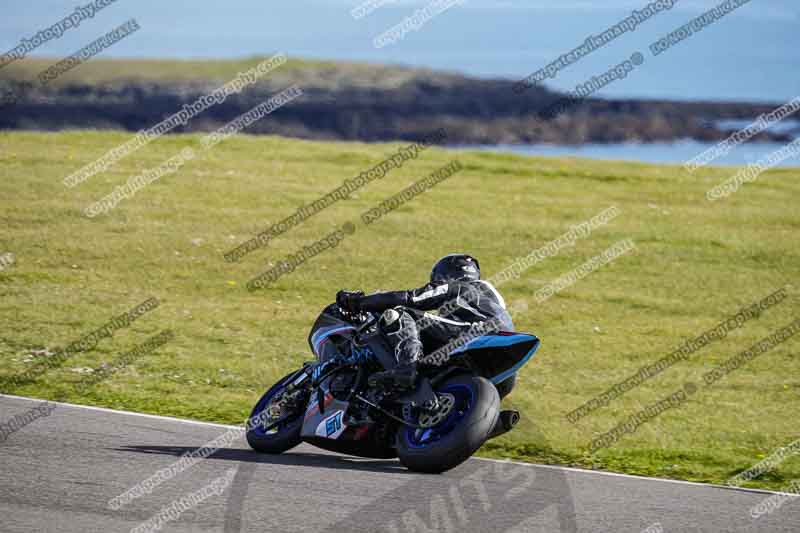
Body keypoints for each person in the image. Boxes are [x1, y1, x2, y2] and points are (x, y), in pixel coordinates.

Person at [336, 254, 513, 389]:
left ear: (447, 274)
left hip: (477, 332)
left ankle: (407, 368)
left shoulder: (459, 287)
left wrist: (359, 303)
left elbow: (411, 298)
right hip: (500, 358)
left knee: (401, 313)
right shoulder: (488, 298)